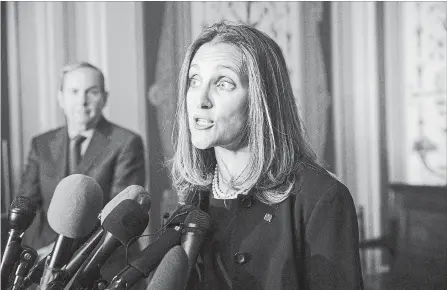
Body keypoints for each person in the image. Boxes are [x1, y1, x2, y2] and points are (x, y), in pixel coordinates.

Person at [171, 21, 363, 289]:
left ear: (262, 99)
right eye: (194, 80)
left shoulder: (321, 198)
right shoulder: (193, 199)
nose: (201, 99)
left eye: (224, 83)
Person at [17, 62, 146, 271]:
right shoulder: (41, 144)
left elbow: (118, 216)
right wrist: (31, 253)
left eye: (92, 92)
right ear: (60, 98)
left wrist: (59, 252)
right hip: (43, 263)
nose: (82, 101)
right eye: (74, 92)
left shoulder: (127, 143)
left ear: (104, 98)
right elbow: (27, 205)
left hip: (104, 262)